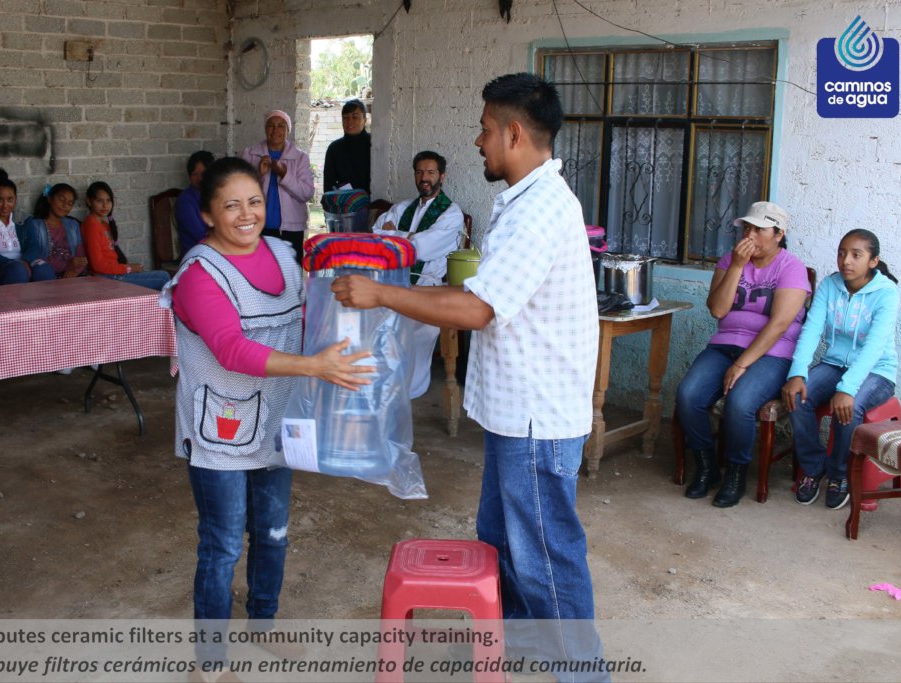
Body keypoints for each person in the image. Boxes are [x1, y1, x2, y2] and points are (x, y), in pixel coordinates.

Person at [331, 73, 604, 675]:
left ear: (512, 132)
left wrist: (381, 294)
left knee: (546, 554)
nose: (478, 142)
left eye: (484, 130)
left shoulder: (540, 211)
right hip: (517, 412)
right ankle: (513, 644)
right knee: (503, 542)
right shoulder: (527, 202)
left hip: (536, 417)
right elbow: (483, 294)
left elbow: (478, 308)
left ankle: (582, 669)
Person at [161, 156, 372, 673]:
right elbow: (231, 350)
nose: (246, 214)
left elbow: (309, 314)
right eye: (230, 205)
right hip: (220, 433)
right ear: (208, 214)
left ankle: (264, 625)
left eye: (254, 201)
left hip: (277, 423)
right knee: (223, 542)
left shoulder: (281, 253)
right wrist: (313, 365)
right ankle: (209, 660)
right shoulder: (198, 273)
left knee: (273, 532)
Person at [675, 201, 811, 507]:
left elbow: (778, 325)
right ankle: (707, 466)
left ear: (778, 234)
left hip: (772, 353)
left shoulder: (791, 268)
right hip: (725, 345)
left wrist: (742, 364)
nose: (749, 235)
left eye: (759, 229)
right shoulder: (729, 261)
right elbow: (718, 309)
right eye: (747, 228)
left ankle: (736, 473)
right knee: (688, 395)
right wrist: (736, 266)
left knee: (739, 403)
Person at [782, 229, 899, 510]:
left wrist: (847, 388)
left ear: (873, 261)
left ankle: (839, 474)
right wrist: (797, 372)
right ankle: (813, 467)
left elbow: (873, 347)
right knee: (797, 396)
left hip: (877, 370)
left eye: (856, 255)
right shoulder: (829, 285)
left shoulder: (887, 293)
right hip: (834, 364)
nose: (846, 260)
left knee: (851, 406)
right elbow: (811, 330)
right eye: (842, 253)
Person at [372, 150, 465, 398]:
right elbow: (376, 237)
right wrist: (408, 237)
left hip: (429, 289)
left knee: (414, 333)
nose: (425, 177)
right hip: (394, 283)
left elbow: (422, 249)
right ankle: (379, 386)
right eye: (420, 172)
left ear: (442, 176)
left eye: (431, 172)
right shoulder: (403, 207)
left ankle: (408, 390)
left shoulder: (451, 213)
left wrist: (396, 235)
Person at [242, 110, 315, 263]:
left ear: (288, 130)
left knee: (290, 277)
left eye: (281, 126)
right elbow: (241, 193)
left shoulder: (300, 158)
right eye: (271, 126)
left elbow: (306, 193)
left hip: (291, 229)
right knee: (261, 274)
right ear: (265, 129)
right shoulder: (250, 155)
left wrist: (284, 175)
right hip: (258, 227)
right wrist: (259, 175)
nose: (275, 130)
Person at [0, 168, 54, 288]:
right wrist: (12, 264)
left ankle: (43, 306)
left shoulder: (24, 219)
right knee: (17, 271)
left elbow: (33, 246)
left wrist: (25, 262)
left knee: (44, 270)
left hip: (23, 263)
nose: (5, 205)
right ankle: (17, 306)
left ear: (15, 199)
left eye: (10, 200)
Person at [80, 181, 171, 291]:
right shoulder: (91, 224)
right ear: (89, 201)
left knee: (162, 276)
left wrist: (128, 268)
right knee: (163, 277)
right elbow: (97, 265)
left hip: (114, 273)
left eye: (108, 201)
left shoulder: (103, 224)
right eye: (99, 201)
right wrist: (128, 268)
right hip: (106, 277)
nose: (105, 205)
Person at [28, 183, 87, 279]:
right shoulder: (35, 225)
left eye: (70, 203)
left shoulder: (73, 225)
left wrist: (75, 271)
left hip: (70, 277)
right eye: (61, 200)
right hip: (46, 277)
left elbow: (81, 257)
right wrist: (67, 265)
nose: (65, 205)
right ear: (49, 199)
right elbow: (35, 261)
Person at [322, 99, 371, 193]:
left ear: (365, 120)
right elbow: (328, 186)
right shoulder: (334, 148)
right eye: (345, 117)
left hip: (372, 205)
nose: (349, 121)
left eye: (355, 117)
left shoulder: (374, 145)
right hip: (343, 204)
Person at [175, 150, 215, 257]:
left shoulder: (217, 195)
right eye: (194, 174)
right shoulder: (185, 200)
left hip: (217, 250)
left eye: (203, 173)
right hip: (197, 254)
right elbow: (200, 235)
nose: (199, 178)